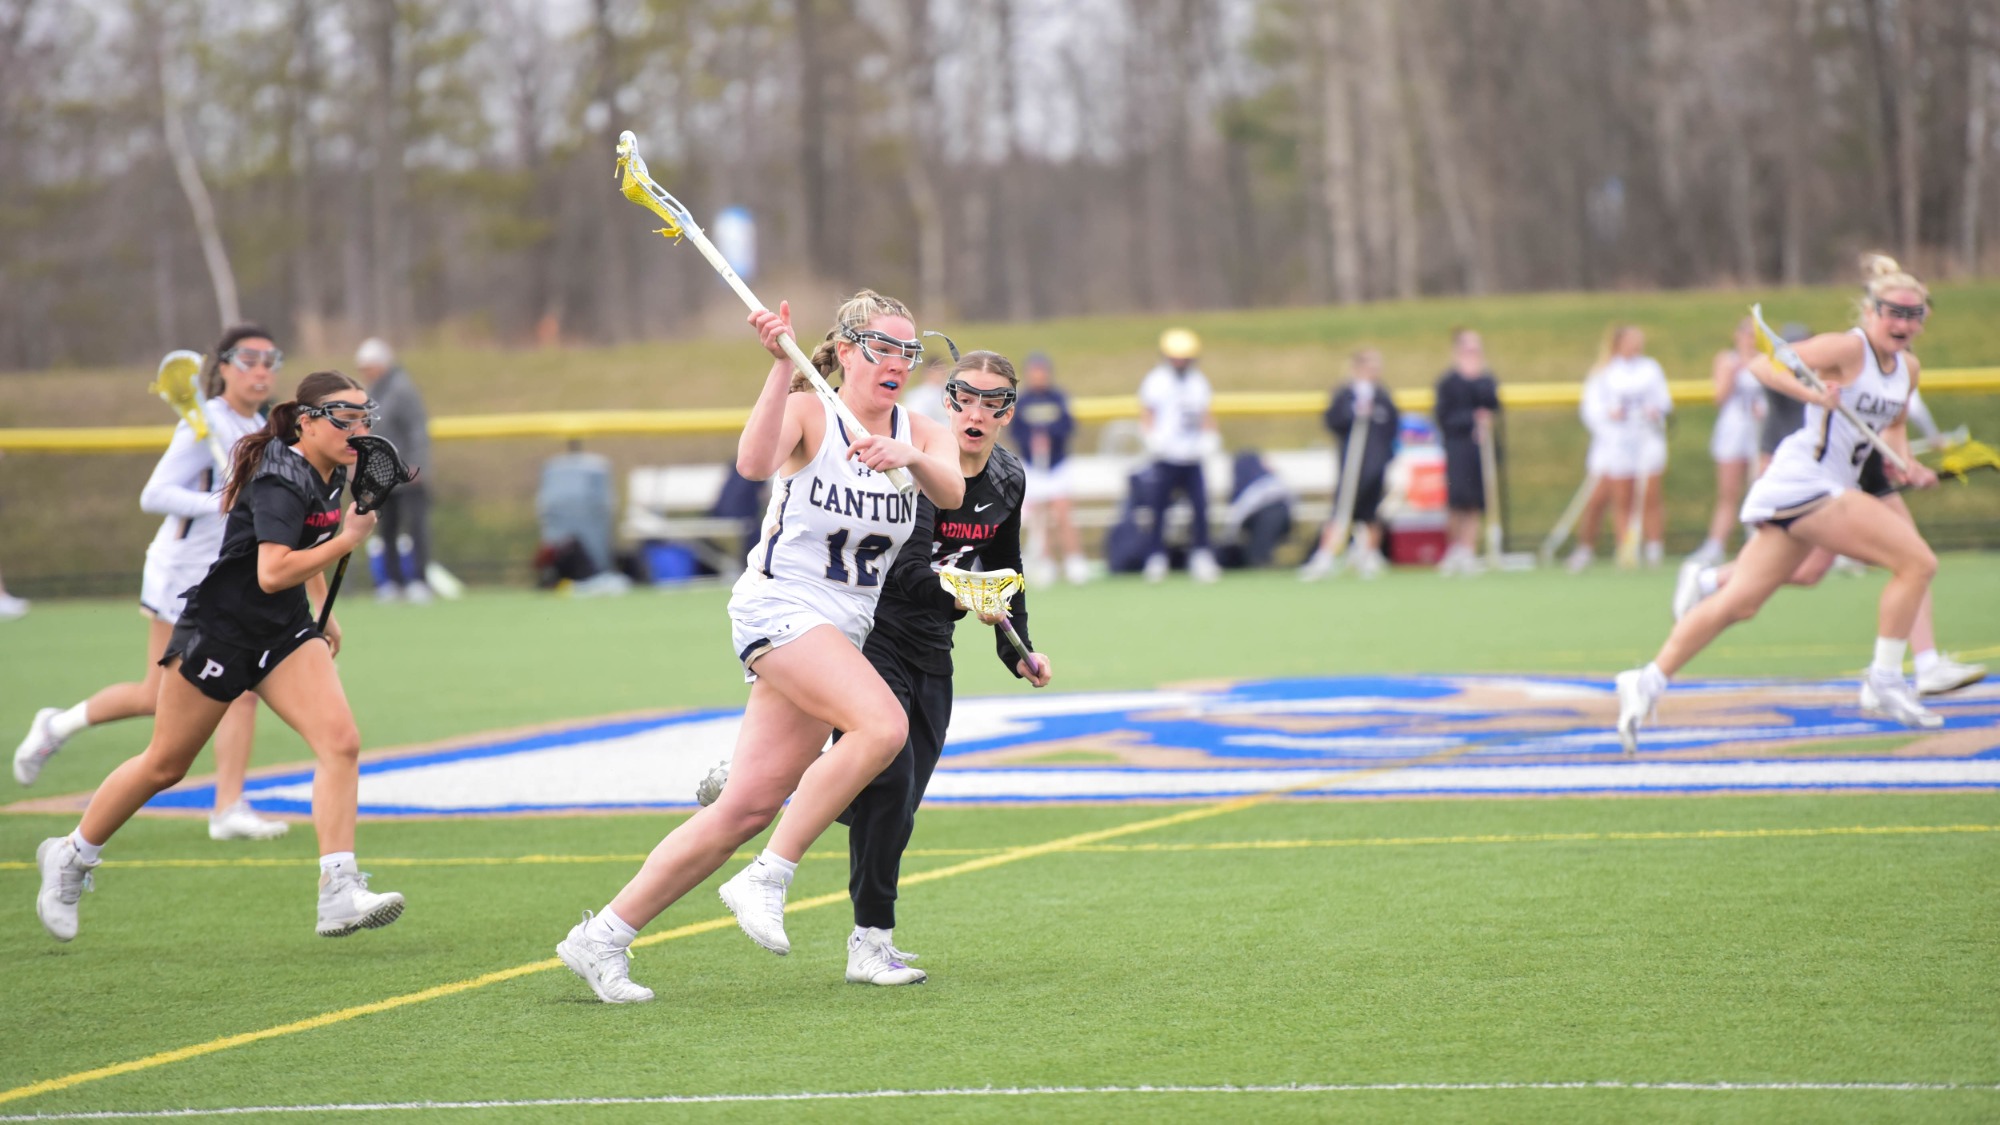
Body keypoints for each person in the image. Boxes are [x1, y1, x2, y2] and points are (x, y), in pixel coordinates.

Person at [555, 290, 965, 1004]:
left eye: (908, 350)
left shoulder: (922, 431)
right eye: (881, 347)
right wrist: (779, 367)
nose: (897, 362)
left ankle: (603, 936)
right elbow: (751, 464)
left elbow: (953, 490)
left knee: (743, 806)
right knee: (883, 725)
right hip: (780, 606)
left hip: (840, 630)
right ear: (842, 350)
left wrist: (906, 453)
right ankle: (770, 874)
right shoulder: (812, 413)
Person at [32, 370, 406, 943]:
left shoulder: (331, 474)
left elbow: (298, 556)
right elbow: (271, 568)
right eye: (344, 418)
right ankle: (72, 853)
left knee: (341, 742)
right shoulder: (281, 476)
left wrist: (320, 611)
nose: (357, 430)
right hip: (223, 634)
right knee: (166, 765)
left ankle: (338, 890)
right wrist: (348, 541)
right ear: (306, 422)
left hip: (282, 634)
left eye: (363, 418)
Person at [1616, 254, 1947, 752]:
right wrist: (1812, 397)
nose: (1902, 324)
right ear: (1870, 311)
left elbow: (1895, 423)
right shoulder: (1846, 348)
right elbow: (1761, 363)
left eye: (1913, 315)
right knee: (1917, 562)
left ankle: (1646, 679)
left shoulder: (1908, 370)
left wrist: (1906, 462)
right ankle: (1884, 679)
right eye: (1893, 312)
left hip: (1818, 488)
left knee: (1739, 603)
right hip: (1806, 482)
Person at [15, 326, 288, 841]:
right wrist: (220, 504)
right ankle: (56, 725)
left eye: (270, 360)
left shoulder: (255, 425)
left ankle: (228, 807)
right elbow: (154, 494)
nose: (261, 370)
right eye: (248, 359)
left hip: (226, 576)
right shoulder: (201, 423)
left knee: (243, 687)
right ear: (223, 367)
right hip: (181, 573)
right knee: (155, 696)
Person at [836, 348, 1053, 984]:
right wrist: (970, 595)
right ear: (948, 401)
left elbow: (1005, 568)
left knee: (893, 804)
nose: (977, 411)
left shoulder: (1009, 478)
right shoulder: (920, 469)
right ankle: (870, 943)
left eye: (993, 401)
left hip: (934, 645)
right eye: (965, 397)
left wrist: (1019, 650)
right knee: (890, 782)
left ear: (1008, 412)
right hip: (872, 633)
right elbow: (904, 573)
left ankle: (775, 788)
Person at [1672, 446, 1985, 696]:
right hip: (1833, 479)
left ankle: (1707, 579)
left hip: (1863, 473)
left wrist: (1899, 458)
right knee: (1914, 561)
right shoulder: (1843, 368)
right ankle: (1914, 668)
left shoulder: (1902, 368)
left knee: (1811, 571)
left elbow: (1890, 426)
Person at [1569, 326, 1672, 571]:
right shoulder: (1604, 372)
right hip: (1613, 445)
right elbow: (1591, 409)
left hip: (1646, 441)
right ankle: (1615, 547)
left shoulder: (1650, 368)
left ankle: (1654, 549)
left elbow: (1663, 401)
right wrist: (1609, 415)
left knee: (1650, 495)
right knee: (1613, 498)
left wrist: (1655, 412)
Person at [1303, 348, 1400, 580]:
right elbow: (1332, 420)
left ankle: (1369, 555)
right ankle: (1325, 556)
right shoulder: (1345, 394)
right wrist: (1352, 413)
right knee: (1342, 511)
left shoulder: (1382, 396)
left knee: (1371, 513)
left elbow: (1392, 426)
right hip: (1351, 465)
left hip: (1375, 464)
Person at [1137, 327, 1220, 583]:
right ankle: (1156, 556)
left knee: (1201, 506)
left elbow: (1206, 415)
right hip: (1166, 455)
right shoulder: (1156, 381)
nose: (1181, 362)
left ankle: (1202, 554)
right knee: (1159, 508)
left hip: (1192, 455)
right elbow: (1148, 414)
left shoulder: (1199, 381)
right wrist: (1151, 438)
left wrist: (1210, 437)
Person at [355, 338, 433, 604]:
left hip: (407, 473)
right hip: (382, 475)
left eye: (369, 366)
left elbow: (417, 429)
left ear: (381, 364)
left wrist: (416, 465)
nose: (365, 372)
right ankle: (392, 582)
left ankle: (420, 581)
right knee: (386, 528)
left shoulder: (402, 389)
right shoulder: (372, 391)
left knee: (415, 527)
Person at [1692, 319, 1765, 566]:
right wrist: (1735, 372)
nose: (1750, 338)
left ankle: (1758, 542)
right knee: (1729, 492)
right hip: (1734, 432)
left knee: (1760, 488)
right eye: (1746, 333)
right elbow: (1719, 396)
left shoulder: (1767, 361)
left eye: (1754, 334)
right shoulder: (1727, 360)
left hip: (1761, 432)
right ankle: (1716, 545)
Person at [1013, 352, 1089, 586]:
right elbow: (1016, 431)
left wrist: (1050, 436)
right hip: (1034, 466)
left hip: (1057, 464)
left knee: (1063, 510)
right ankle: (1045, 561)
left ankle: (1073, 559)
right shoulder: (1022, 401)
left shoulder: (1058, 397)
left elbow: (1068, 426)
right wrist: (1031, 442)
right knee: (1039, 515)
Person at [1433, 328, 1501, 575]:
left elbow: (1494, 406)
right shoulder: (1448, 382)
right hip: (1458, 447)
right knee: (1457, 501)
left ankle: (1469, 549)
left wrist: (1485, 419)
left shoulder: (1486, 379)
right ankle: (1454, 548)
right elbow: (1443, 416)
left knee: (1475, 502)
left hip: (1480, 448)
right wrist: (1469, 419)